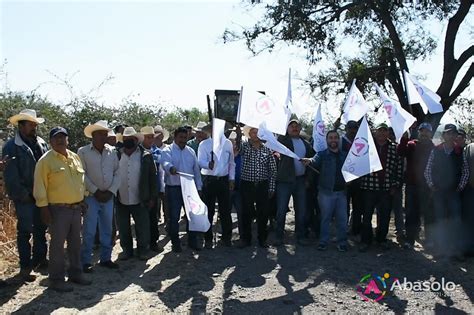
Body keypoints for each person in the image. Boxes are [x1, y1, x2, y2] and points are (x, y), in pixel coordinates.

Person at [33, 127, 91, 292]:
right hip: (58, 210)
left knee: (75, 243)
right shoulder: (45, 161)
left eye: (63, 137)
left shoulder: (74, 157)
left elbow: (81, 180)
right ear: (50, 141)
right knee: (57, 246)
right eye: (56, 138)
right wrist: (43, 208)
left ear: (68, 140)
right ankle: (56, 279)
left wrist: (83, 198)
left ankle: (75, 273)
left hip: (76, 208)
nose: (60, 140)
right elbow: (40, 186)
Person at [3, 109, 49, 281]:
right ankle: (25, 266)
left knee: (41, 229)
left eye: (34, 124)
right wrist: (25, 195)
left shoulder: (41, 143)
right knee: (25, 231)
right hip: (25, 198)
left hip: (42, 195)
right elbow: (11, 177)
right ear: (21, 126)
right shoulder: (11, 147)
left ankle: (40, 260)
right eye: (31, 124)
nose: (34, 127)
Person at [78, 121, 120, 273]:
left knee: (107, 228)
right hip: (91, 196)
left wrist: (110, 191)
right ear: (93, 135)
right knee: (89, 230)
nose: (104, 137)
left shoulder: (112, 151)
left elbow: (117, 173)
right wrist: (96, 191)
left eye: (105, 134)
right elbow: (82, 174)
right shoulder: (83, 152)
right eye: (100, 134)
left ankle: (106, 258)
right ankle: (86, 261)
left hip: (108, 196)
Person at [424, 124, 469, 260]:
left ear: (456, 136)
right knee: (440, 220)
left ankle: (455, 250)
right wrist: (431, 185)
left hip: (453, 192)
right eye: (447, 133)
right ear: (443, 135)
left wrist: (460, 187)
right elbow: (427, 170)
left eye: (453, 133)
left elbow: (465, 172)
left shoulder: (460, 151)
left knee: (455, 220)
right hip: (438, 192)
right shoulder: (436, 150)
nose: (450, 136)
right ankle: (440, 249)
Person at [359, 123, 402, 252]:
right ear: (375, 132)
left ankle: (381, 239)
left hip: (387, 188)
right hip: (369, 186)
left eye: (385, 131)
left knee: (384, 216)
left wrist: (396, 185)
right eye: (379, 131)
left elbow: (399, 168)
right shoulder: (367, 147)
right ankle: (366, 241)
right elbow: (359, 164)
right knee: (366, 215)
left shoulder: (395, 148)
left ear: (388, 133)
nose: (382, 133)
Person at [116, 127, 158, 261]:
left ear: (136, 140)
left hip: (141, 197)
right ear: (123, 140)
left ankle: (143, 250)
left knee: (142, 226)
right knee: (123, 227)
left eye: (132, 139)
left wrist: (152, 197)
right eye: (126, 139)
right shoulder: (117, 155)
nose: (129, 141)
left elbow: (153, 177)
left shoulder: (146, 156)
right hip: (121, 198)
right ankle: (127, 250)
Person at [302, 130, 348, 251]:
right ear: (327, 140)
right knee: (325, 218)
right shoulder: (322, 154)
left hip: (342, 192)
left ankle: (342, 242)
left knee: (342, 219)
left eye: (335, 137)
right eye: (330, 138)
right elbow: (314, 160)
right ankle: (323, 241)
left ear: (339, 140)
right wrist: (309, 160)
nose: (333, 140)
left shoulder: (345, 155)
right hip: (326, 192)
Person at [161, 127, 203, 252]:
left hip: (189, 189)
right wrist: (171, 169)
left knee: (191, 216)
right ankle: (176, 243)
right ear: (175, 137)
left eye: (185, 138)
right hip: (173, 188)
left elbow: (196, 171)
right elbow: (165, 163)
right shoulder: (167, 150)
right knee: (174, 217)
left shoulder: (190, 152)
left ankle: (192, 242)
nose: (183, 140)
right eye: (181, 137)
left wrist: (199, 187)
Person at [274, 119, 314, 246]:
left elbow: (312, 160)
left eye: (297, 126)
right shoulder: (282, 141)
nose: (294, 128)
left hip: (301, 180)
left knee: (301, 210)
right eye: (291, 126)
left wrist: (308, 179)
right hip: (284, 181)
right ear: (286, 129)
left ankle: (300, 236)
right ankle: (279, 236)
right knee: (281, 210)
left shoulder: (306, 144)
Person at [237, 126, 277, 248]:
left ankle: (262, 239)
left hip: (262, 185)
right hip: (247, 184)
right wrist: (239, 135)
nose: (255, 135)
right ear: (249, 135)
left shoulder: (267, 149)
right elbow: (238, 149)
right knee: (246, 212)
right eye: (253, 132)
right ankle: (246, 239)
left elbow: (273, 170)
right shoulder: (245, 147)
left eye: (257, 132)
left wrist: (271, 187)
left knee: (263, 213)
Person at [397, 122, 435, 249]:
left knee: (428, 213)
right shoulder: (412, 145)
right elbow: (401, 152)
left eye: (427, 131)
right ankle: (410, 239)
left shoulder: (434, 148)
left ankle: (429, 240)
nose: (424, 133)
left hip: (427, 186)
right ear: (419, 132)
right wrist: (404, 138)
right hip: (411, 185)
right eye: (422, 131)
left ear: (430, 133)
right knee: (411, 213)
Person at [198, 124, 235, 248]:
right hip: (210, 180)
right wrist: (208, 164)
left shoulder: (228, 143)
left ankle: (226, 237)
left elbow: (231, 163)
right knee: (208, 211)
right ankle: (207, 239)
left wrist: (231, 178)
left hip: (223, 180)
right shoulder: (204, 144)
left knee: (225, 211)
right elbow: (200, 161)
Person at [140, 126, 163, 252]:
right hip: (142, 189)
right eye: (147, 137)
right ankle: (143, 243)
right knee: (142, 218)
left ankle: (153, 242)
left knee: (153, 217)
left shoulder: (157, 152)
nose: (150, 140)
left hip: (154, 188)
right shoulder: (138, 152)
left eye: (151, 137)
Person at [154, 125, 169, 226]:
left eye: (159, 135)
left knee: (167, 205)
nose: (158, 137)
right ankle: (156, 219)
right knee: (155, 203)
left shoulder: (168, 149)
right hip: (155, 182)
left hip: (166, 180)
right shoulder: (150, 149)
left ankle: (167, 222)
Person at [462, 143, 474, 256]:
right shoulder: (469, 148)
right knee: (469, 220)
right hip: (470, 190)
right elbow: (464, 167)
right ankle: (469, 248)